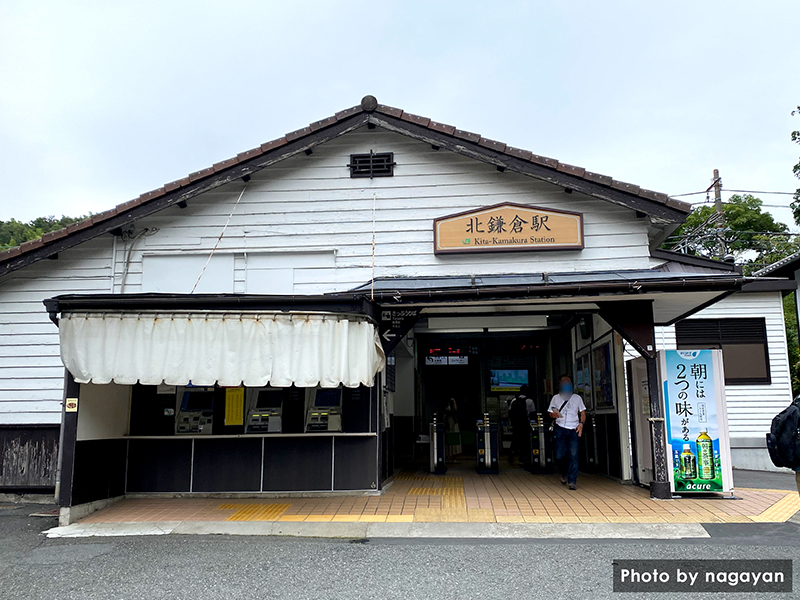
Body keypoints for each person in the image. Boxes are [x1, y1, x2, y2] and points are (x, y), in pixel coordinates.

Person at [548, 375, 586, 490]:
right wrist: (553, 414)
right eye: (564, 381)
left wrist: (581, 424)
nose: (566, 383)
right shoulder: (555, 398)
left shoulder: (577, 398)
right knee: (560, 455)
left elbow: (583, 413)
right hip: (560, 428)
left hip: (574, 428)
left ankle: (572, 481)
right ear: (560, 384)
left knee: (573, 455)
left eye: (568, 382)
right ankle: (563, 473)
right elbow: (550, 412)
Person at [508, 385, 535, 467]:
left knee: (515, 441)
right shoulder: (529, 401)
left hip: (516, 425)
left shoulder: (514, 400)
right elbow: (533, 413)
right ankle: (523, 459)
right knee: (525, 442)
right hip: (525, 425)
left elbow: (510, 412)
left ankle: (511, 456)